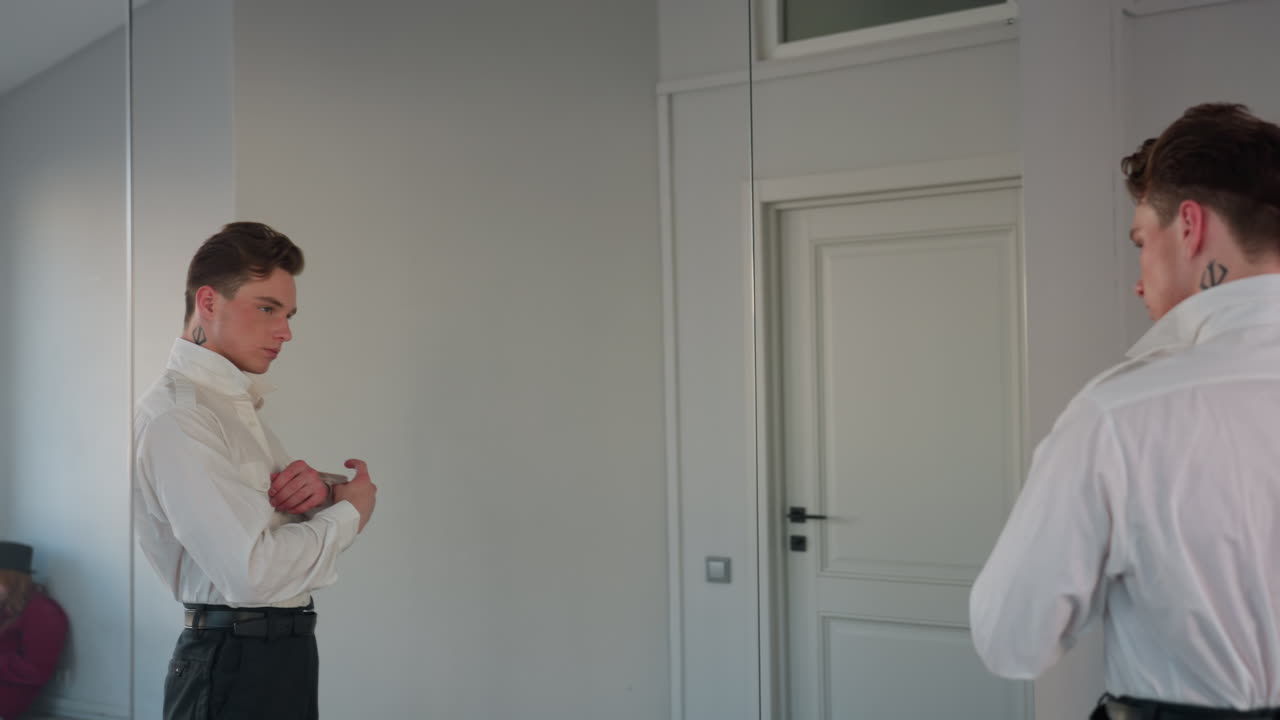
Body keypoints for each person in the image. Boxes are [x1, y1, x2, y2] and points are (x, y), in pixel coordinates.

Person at [971, 103, 1280, 719]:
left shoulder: (1120, 415)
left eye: (1142, 242)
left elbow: (1013, 639)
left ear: (1189, 226)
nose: (1139, 281)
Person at [134, 222, 378, 720]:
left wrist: (327, 494)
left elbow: (257, 527)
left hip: (270, 654)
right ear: (208, 302)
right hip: (234, 661)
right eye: (267, 308)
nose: (285, 331)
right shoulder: (181, 416)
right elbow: (252, 574)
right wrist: (352, 512)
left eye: (287, 314)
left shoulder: (228, 406)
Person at [0, 541, 68, 720]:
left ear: (12, 579)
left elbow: (36, 669)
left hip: (8, 697)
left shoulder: (42, 611)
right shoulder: (5, 607)